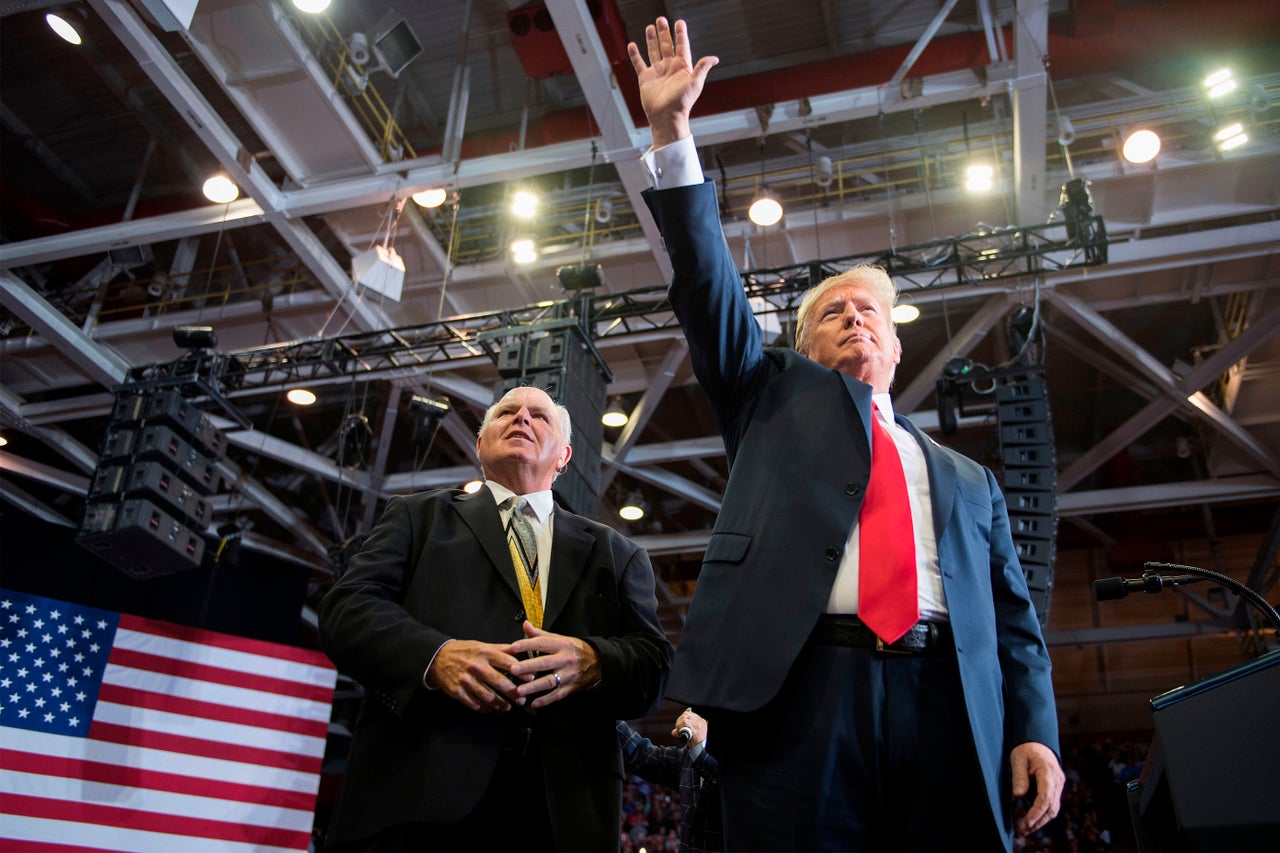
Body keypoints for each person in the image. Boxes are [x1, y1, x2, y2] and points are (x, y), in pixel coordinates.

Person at [626, 17, 1064, 851]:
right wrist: (672, 132)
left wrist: (1034, 727)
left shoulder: (971, 482)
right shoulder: (769, 399)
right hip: (804, 694)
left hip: (948, 698)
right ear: (803, 347)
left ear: (896, 346)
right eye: (833, 310)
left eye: (871, 309)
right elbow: (708, 282)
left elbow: (1015, 620)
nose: (855, 317)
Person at [318, 385, 673, 852]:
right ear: (480, 444)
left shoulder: (618, 553)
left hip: (562, 815)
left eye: (539, 416)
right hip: (419, 802)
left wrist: (594, 659)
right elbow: (347, 609)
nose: (522, 418)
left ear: (564, 455)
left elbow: (654, 664)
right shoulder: (417, 517)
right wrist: (435, 656)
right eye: (507, 411)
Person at [617, 708, 722, 853]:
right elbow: (641, 754)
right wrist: (606, 712)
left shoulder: (746, 759)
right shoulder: (686, 757)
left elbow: (727, 785)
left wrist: (699, 746)